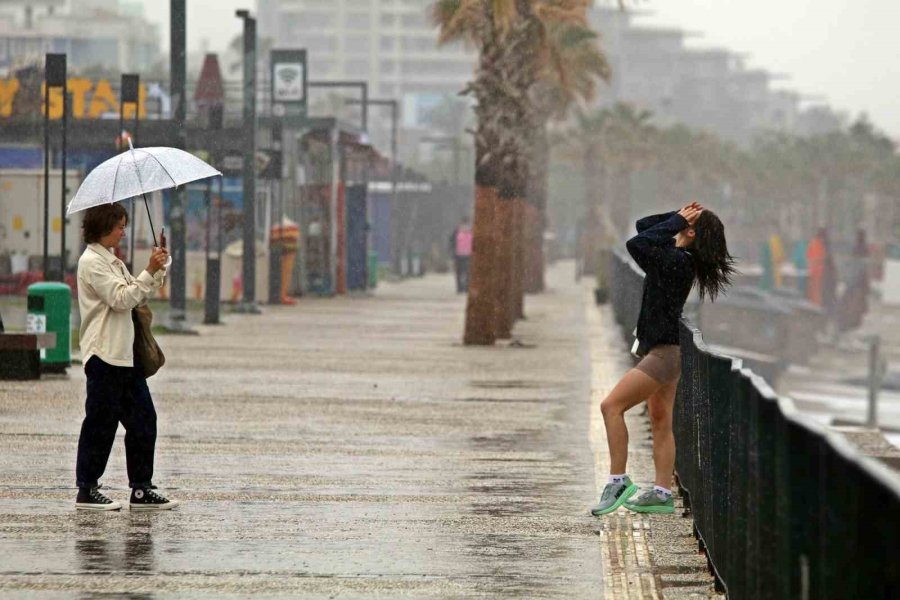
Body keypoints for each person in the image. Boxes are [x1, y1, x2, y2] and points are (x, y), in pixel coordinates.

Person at [591, 203, 735, 516]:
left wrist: (678, 220)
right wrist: (678, 216)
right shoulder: (673, 256)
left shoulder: (675, 260)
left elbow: (636, 242)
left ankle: (618, 481)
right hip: (666, 349)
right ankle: (661, 492)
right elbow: (644, 225)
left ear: (691, 231)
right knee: (660, 421)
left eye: (684, 222)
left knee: (611, 407)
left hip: (663, 354)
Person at [74, 203, 177, 511]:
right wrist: (147, 271)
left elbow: (136, 291)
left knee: (144, 420)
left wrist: (156, 270)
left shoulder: (113, 262)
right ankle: (87, 488)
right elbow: (121, 299)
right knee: (100, 424)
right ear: (104, 227)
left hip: (125, 356)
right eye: (120, 226)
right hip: (105, 354)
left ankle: (142, 488)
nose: (123, 231)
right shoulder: (92, 262)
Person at [836, 228, 870, 332]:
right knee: (855, 306)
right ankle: (851, 324)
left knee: (849, 304)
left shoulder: (856, 249)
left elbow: (852, 270)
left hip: (854, 283)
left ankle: (846, 325)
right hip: (858, 284)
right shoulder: (864, 249)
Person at [451, 216, 473, 293]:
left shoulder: (472, 231)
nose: (465, 225)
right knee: (459, 273)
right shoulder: (456, 232)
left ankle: (466, 288)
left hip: (468, 255)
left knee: (467, 273)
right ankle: (460, 288)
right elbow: (452, 243)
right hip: (459, 255)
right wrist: (453, 252)